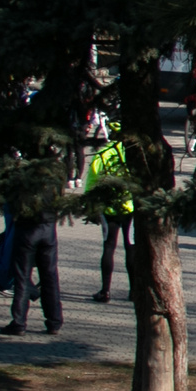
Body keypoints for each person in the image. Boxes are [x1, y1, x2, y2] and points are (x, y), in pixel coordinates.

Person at [87, 128, 136, 302]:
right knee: (131, 247)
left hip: (109, 208)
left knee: (109, 247)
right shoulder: (132, 153)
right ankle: (134, 291)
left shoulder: (102, 154)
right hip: (130, 207)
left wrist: (90, 206)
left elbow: (92, 181)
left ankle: (105, 291)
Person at [2, 201, 63, 335]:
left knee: (22, 276)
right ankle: (54, 322)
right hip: (48, 226)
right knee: (50, 276)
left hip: (27, 227)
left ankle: (19, 322)